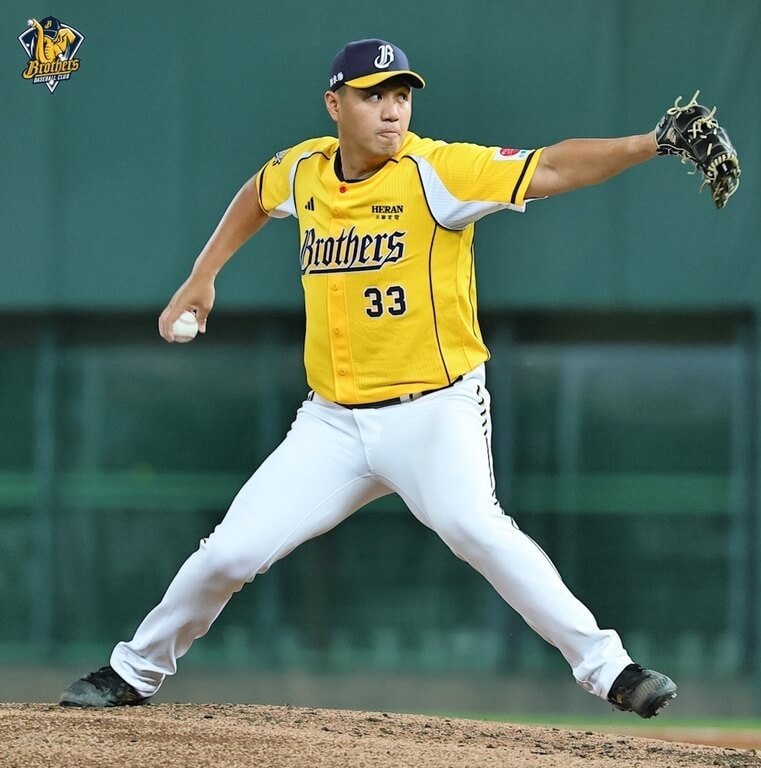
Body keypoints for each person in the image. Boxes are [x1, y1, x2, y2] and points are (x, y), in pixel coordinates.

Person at [60, 38, 678, 718]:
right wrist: (202, 274)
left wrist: (651, 143)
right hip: (332, 422)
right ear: (335, 104)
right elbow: (257, 194)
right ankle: (134, 671)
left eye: (401, 95)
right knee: (228, 555)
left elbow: (552, 167)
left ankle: (612, 670)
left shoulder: (437, 171)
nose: (391, 110)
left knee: (475, 528)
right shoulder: (304, 169)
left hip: (433, 412)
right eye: (372, 95)